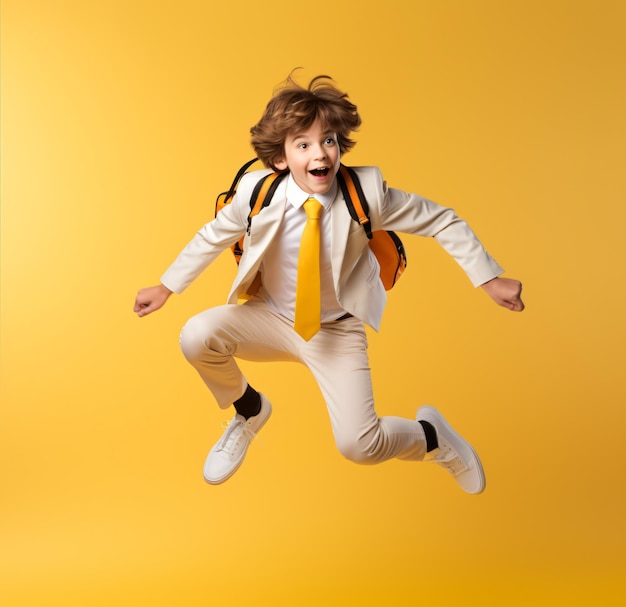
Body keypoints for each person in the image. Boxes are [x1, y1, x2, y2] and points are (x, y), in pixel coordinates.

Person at [134, 73, 524, 494]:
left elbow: (440, 219)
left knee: (360, 445)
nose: (320, 153)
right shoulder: (257, 193)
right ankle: (249, 410)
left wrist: (490, 279)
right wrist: (166, 287)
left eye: (329, 141)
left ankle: (432, 438)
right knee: (196, 336)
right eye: (303, 144)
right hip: (270, 316)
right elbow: (214, 235)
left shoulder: (366, 193)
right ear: (281, 158)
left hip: (336, 329)